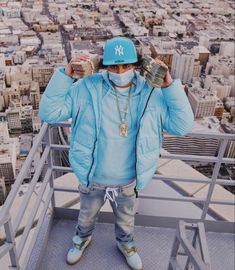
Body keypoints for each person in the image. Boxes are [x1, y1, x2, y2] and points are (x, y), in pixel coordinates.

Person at [39, 37, 194, 270]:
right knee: (86, 216)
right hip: (93, 176)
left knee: (126, 220)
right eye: (114, 66)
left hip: (127, 179)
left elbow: (181, 126)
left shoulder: (152, 94)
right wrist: (66, 73)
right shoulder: (86, 87)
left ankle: (127, 244)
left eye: (126, 65)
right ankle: (81, 239)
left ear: (137, 64)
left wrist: (169, 86)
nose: (120, 71)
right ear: (104, 66)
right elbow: (50, 113)